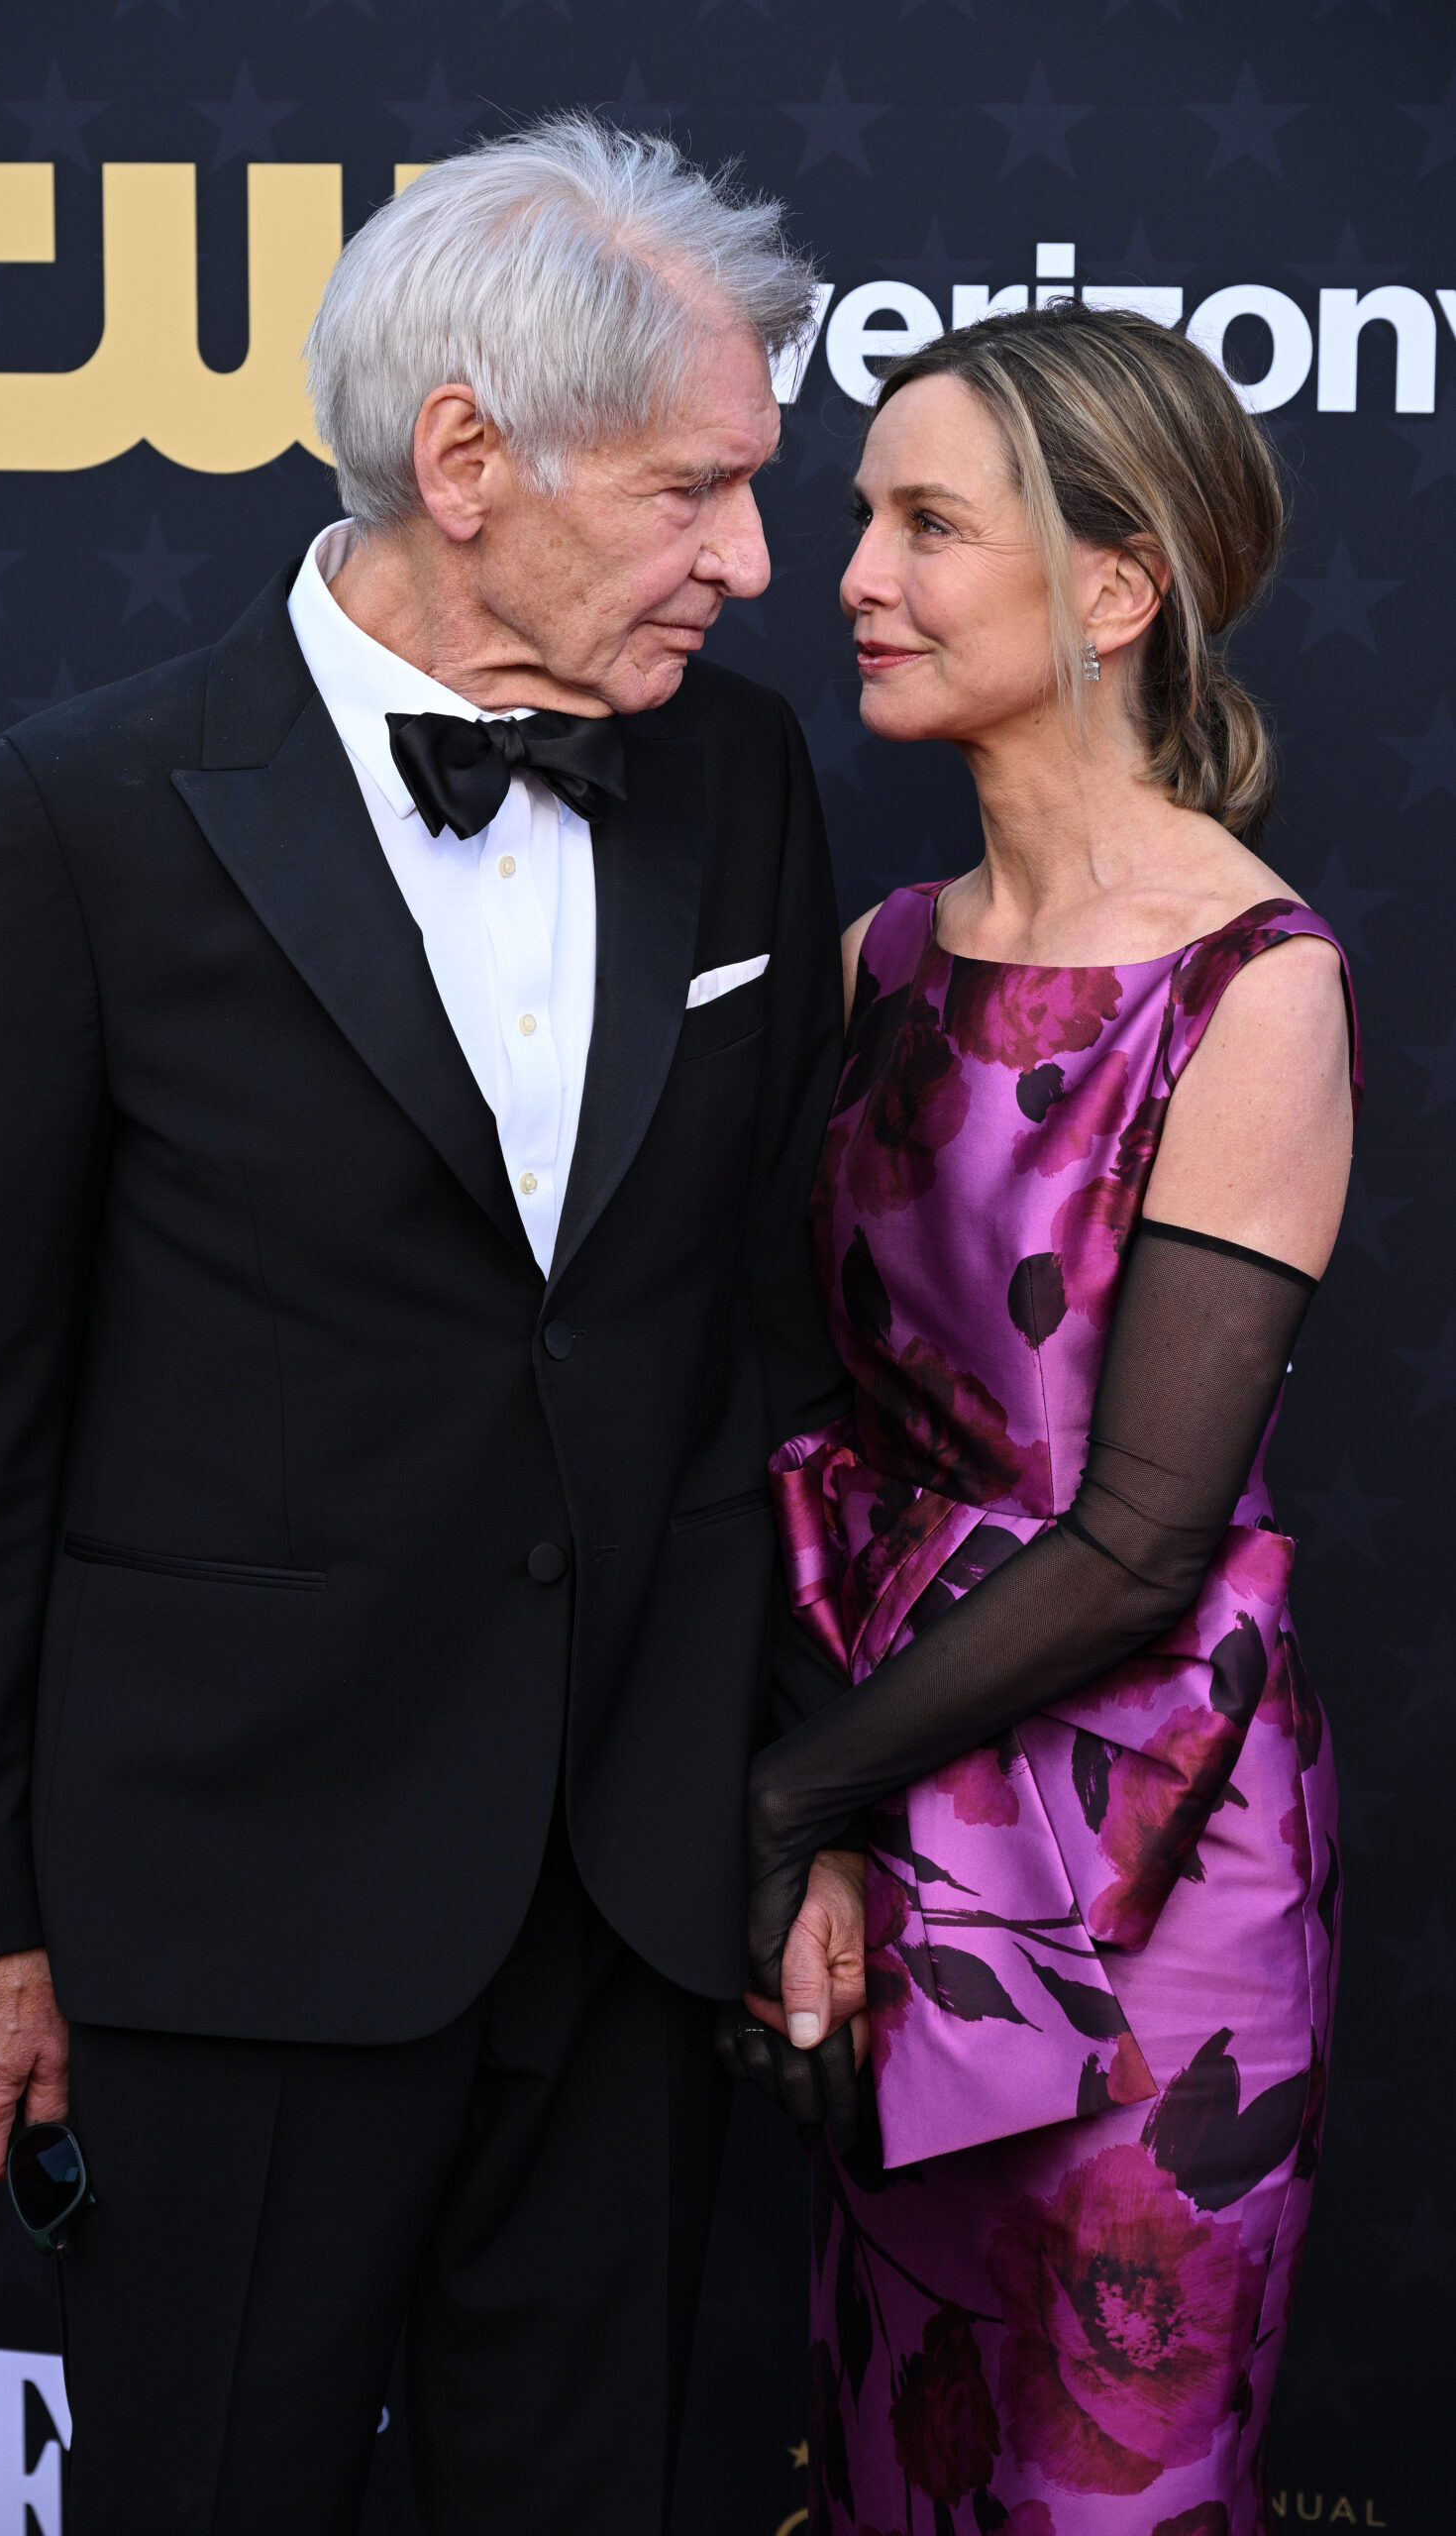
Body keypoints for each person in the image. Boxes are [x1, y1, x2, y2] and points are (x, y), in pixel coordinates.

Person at [0, 117, 851, 2534]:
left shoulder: (736, 774)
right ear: (464, 460)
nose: (753, 558)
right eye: (695, 489)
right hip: (230, 1918)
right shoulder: (83, 816)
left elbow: (767, 1335)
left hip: (624, 1906)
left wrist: (794, 1807)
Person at [725, 304, 1356, 2531]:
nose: (851, 577)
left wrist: (788, 1794)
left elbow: (1144, 1534)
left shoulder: (1251, 984)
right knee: (897, 2464)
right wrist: (822, 1825)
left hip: (1150, 1869)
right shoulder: (881, 956)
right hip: (893, 1821)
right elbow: (789, 1417)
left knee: (1102, 2486)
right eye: (861, 518)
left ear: (1112, 586)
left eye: (927, 524)